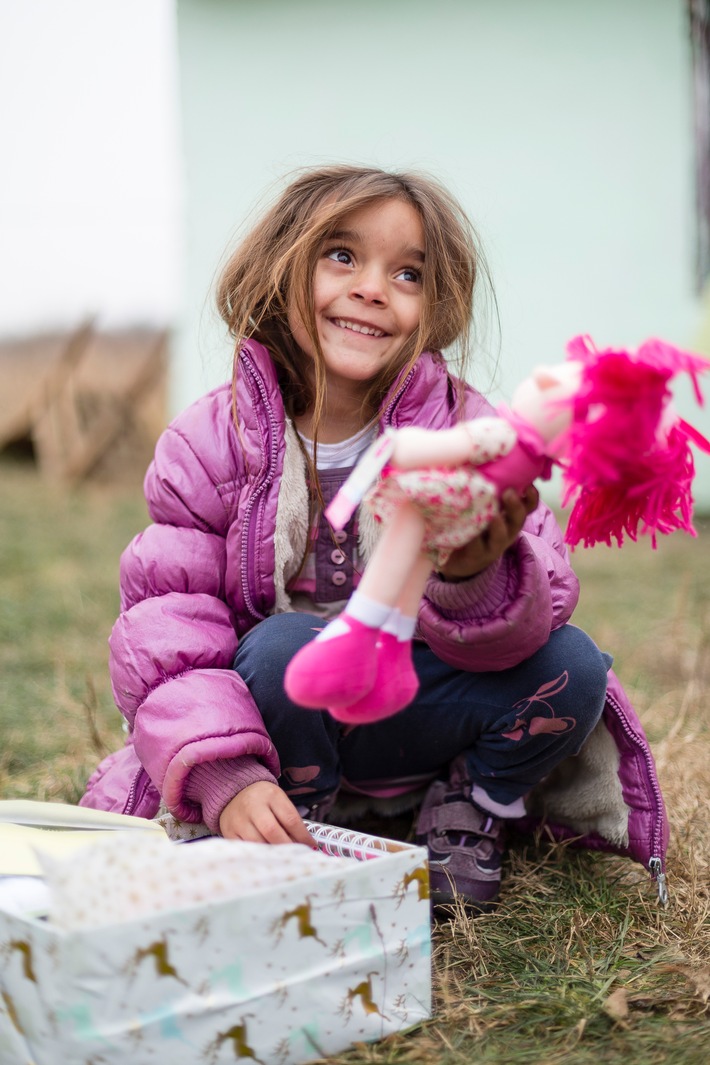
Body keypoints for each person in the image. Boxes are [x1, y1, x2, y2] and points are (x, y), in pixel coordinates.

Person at [80, 164, 668, 911]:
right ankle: (296, 815)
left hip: (422, 714)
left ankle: (468, 806)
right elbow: (166, 634)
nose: (372, 287)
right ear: (280, 265)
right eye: (343, 256)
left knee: (575, 665)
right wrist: (226, 776)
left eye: (409, 273)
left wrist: (473, 574)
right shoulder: (210, 441)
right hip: (281, 721)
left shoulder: (467, 428)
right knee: (282, 645)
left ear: (435, 303)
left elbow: (546, 598)